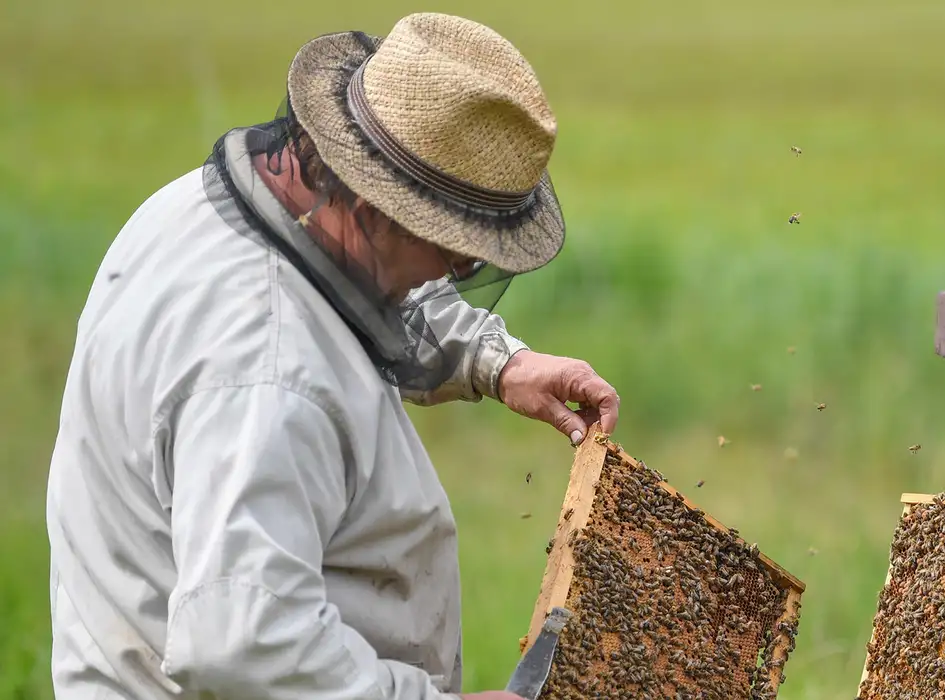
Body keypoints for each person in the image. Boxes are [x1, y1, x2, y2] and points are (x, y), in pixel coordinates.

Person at [44, 13, 618, 699]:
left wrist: (495, 360)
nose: (454, 273)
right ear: (378, 202)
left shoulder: (198, 211)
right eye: (454, 250)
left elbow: (354, 282)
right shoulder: (271, 376)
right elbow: (242, 644)